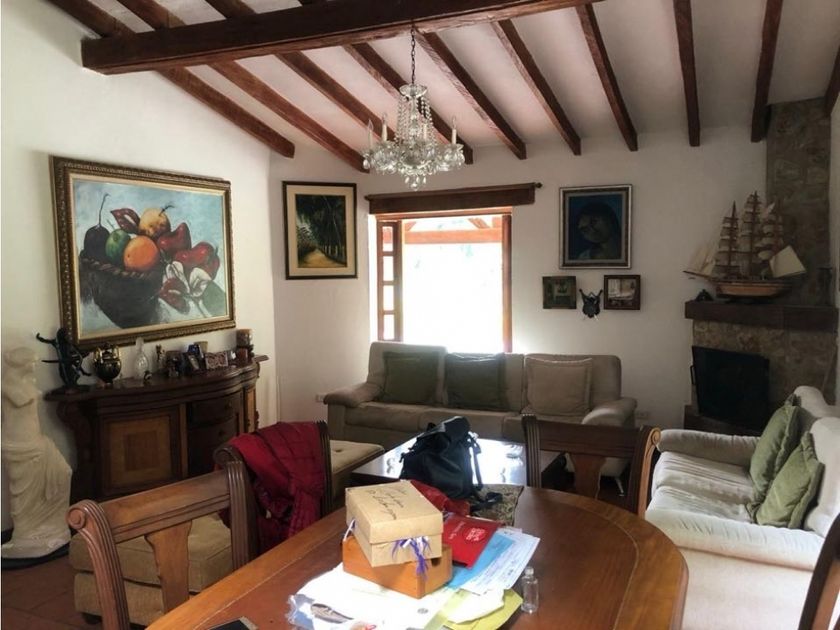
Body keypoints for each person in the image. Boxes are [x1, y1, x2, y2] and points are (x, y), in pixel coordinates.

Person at [1, 347, 72, 560]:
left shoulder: (25, 381)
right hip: (19, 445)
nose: (34, 366)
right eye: (31, 362)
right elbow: (22, 398)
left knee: (64, 472)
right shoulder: (8, 385)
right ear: (20, 364)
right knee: (24, 494)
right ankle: (25, 534)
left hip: (37, 441)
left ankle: (53, 527)